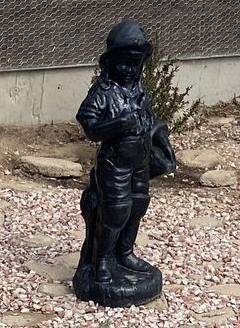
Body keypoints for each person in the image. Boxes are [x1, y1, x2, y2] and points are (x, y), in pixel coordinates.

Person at [72, 19, 174, 307]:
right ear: (110, 63)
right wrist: (119, 123)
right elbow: (90, 126)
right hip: (115, 163)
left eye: (134, 63)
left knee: (138, 204)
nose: (129, 69)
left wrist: (160, 137)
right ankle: (101, 260)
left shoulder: (139, 92)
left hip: (139, 160)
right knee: (115, 210)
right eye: (123, 63)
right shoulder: (103, 92)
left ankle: (125, 252)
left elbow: (151, 120)